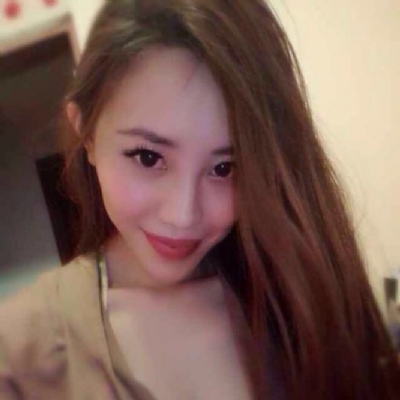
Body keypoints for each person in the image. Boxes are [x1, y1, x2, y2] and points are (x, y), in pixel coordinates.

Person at [0, 0, 399, 399]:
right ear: (86, 133)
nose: (183, 215)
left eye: (225, 168)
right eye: (148, 157)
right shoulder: (20, 350)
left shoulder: (295, 299)